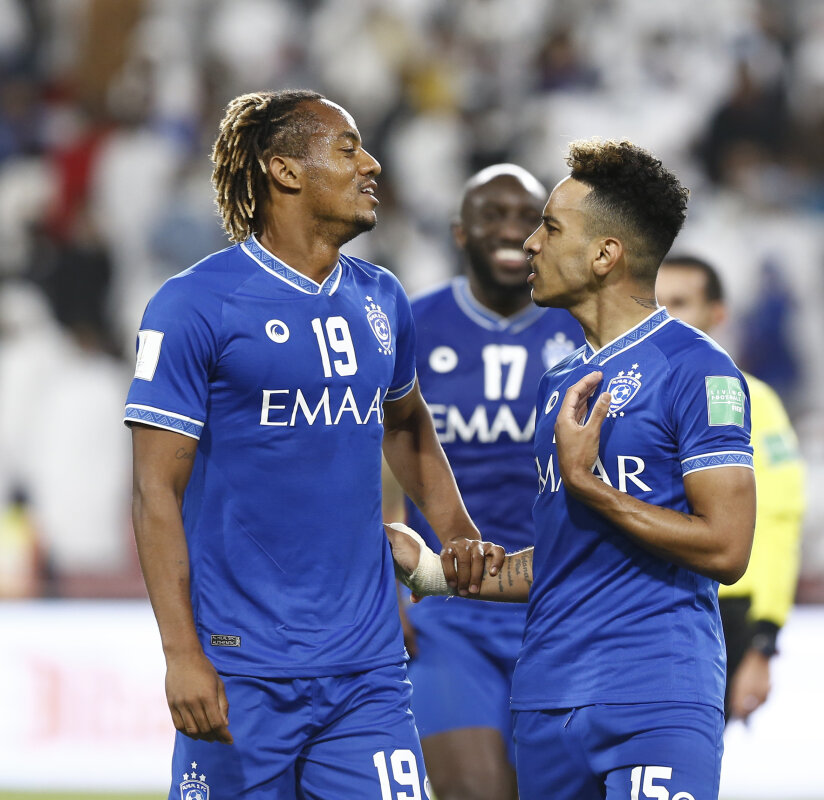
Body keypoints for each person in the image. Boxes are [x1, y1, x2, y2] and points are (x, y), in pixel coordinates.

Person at [125, 89, 500, 799]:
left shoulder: (381, 298)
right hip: (242, 667)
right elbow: (154, 491)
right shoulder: (194, 305)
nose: (372, 165)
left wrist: (455, 529)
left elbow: (406, 422)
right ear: (285, 170)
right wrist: (182, 653)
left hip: (368, 670)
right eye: (348, 148)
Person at [389, 139, 757, 800]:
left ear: (605, 254)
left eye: (551, 228)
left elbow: (727, 549)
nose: (530, 243)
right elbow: (566, 557)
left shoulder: (698, 370)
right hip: (549, 701)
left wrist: (590, 486)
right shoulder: (560, 381)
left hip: (655, 697)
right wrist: (432, 571)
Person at [401, 163, 579, 800]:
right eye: (492, 216)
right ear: (459, 232)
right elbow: (382, 452)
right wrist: (388, 583)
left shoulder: (584, 329)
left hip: (560, 604)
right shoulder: (412, 323)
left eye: (528, 218)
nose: (510, 230)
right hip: (449, 606)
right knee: (475, 790)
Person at [655, 254, 804, 721]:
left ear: (717, 314)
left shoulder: (750, 399)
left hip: (723, 610)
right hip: (638, 602)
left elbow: (779, 521)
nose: (664, 315)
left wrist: (764, 641)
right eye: (655, 302)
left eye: (680, 302)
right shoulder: (614, 393)